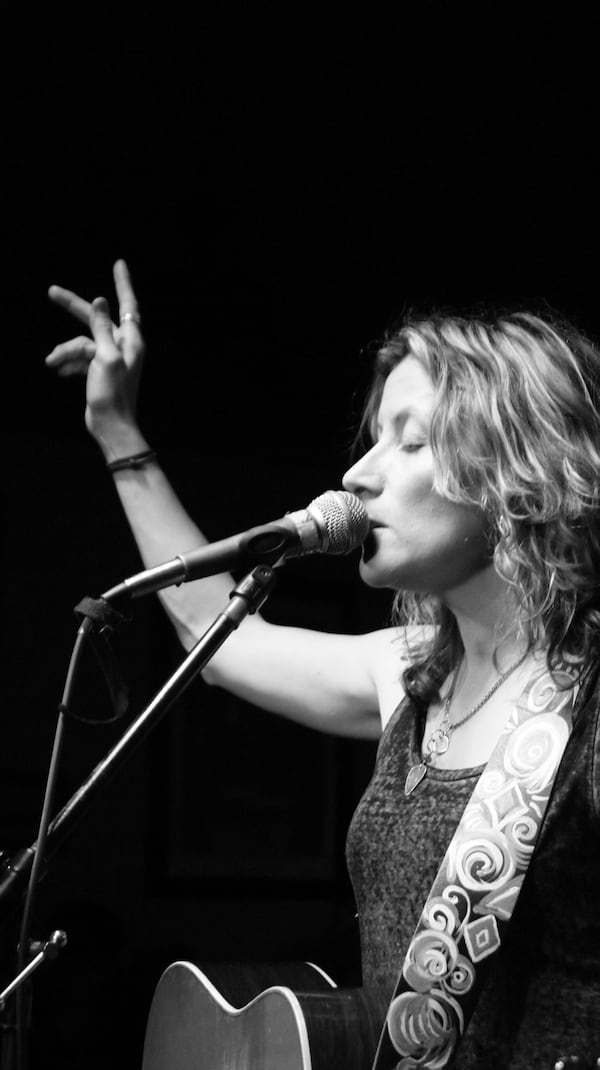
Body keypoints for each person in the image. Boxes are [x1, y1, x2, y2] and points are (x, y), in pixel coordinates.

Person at [45, 261, 600, 1069]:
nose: (356, 475)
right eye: (374, 438)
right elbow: (221, 640)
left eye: (410, 440)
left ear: (522, 468)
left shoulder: (587, 701)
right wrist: (118, 433)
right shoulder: (410, 674)